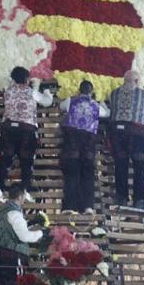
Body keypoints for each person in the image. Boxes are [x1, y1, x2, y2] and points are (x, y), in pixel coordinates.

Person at [0, 67, 53, 202]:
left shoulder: (8, 91)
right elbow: (47, 102)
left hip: (8, 128)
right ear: (27, 79)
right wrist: (46, 91)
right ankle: (25, 190)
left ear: (13, 78)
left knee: (5, 159)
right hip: (27, 130)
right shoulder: (31, 92)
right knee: (26, 161)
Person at [108, 69, 144, 212]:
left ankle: (122, 199)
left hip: (116, 134)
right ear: (137, 81)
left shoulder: (114, 93)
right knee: (140, 166)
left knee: (121, 165)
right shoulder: (143, 95)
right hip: (136, 134)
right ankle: (139, 200)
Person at [58, 80, 108, 213]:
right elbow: (107, 114)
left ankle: (69, 207)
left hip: (71, 144)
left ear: (79, 90)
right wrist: (101, 100)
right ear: (91, 92)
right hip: (88, 145)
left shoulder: (71, 100)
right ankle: (88, 206)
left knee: (71, 174)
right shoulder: (96, 105)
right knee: (87, 176)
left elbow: (61, 107)